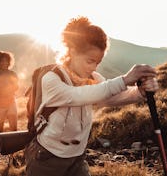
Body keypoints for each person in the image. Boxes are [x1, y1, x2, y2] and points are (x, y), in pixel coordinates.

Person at [24, 16, 159, 176]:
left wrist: (140, 93)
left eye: (98, 62)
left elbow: (110, 97)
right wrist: (124, 80)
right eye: (90, 61)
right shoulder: (51, 78)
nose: (94, 67)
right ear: (72, 51)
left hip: (77, 157)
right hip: (47, 157)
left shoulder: (93, 78)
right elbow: (77, 96)